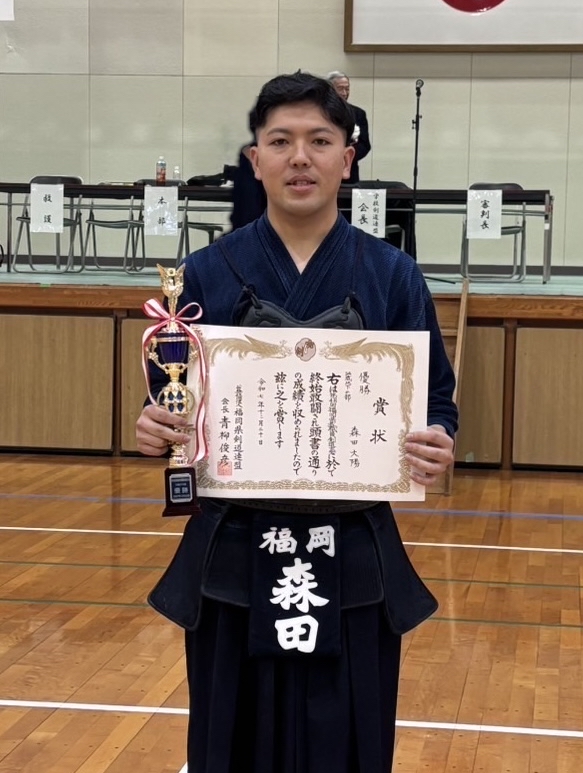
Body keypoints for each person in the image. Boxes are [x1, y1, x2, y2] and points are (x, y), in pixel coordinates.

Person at [136, 71, 457, 773]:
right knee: (231, 741)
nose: (300, 157)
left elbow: (437, 399)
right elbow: (173, 399)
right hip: (232, 550)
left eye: (320, 140)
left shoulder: (393, 274)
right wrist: (157, 427)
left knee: (349, 743)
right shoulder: (205, 272)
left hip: (356, 550)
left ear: (349, 157)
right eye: (280, 141)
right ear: (255, 160)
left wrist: (438, 440)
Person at [328, 72, 371, 184]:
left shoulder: (358, 113)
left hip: (350, 173)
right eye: (340, 89)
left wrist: (344, 156)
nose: (344, 93)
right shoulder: (321, 113)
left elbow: (364, 145)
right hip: (325, 169)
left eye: (347, 89)